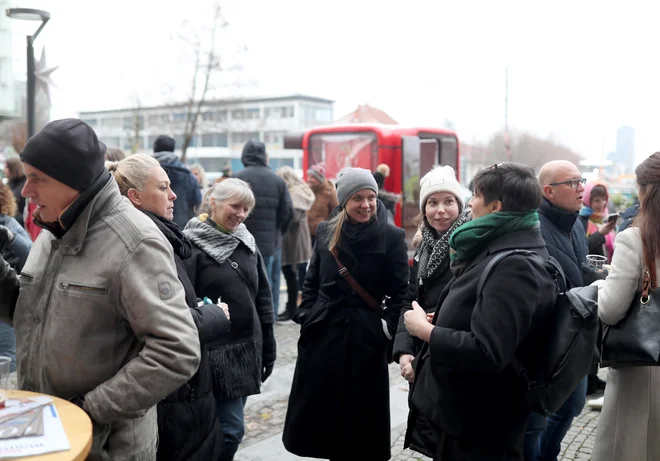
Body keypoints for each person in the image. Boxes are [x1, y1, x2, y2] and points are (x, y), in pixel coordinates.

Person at [0, 119, 201, 460]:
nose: (25, 190)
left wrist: (89, 409)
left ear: (73, 182)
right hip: (47, 434)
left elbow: (177, 351)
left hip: (104, 446)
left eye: (38, 178)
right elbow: (30, 312)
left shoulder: (134, 241)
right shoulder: (55, 227)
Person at [404, 162, 556, 460]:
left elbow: (488, 351)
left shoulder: (514, 264)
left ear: (495, 207)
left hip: (481, 423)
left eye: (475, 195)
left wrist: (427, 331)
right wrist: (448, 320)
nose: (470, 202)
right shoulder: (505, 245)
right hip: (472, 416)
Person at [108, 154, 230, 461]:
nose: (174, 194)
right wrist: (213, 316)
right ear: (134, 196)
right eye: (163, 188)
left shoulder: (159, 235)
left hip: (182, 394)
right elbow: (159, 324)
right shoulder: (143, 243)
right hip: (174, 396)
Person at [283, 168, 409, 460]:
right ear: (343, 201)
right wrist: (307, 317)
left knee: (360, 427)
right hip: (324, 337)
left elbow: (402, 291)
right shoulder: (328, 230)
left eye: (371, 197)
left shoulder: (391, 236)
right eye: (357, 198)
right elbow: (311, 280)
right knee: (324, 423)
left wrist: (386, 329)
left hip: (365, 340)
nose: (366, 204)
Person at [183, 178, 276, 461]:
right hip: (213, 354)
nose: (241, 214)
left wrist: (269, 346)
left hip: (246, 348)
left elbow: (263, 296)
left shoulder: (246, 241)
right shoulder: (191, 245)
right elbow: (185, 302)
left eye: (246, 208)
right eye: (235, 206)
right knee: (230, 430)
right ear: (214, 202)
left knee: (225, 427)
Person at [524, 160, 605, 461]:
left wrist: (596, 278)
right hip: (549, 339)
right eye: (572, 183)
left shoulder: (574, 223)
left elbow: (575, 271)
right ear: (549, 191)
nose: (581, 188)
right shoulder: (536, 227)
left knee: (572, 405)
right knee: (538, 419)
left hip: (573, 336)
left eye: (581, 180)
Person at [392, 165, 470, 457]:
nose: (441, 210)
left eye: (449, 202)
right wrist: (403, 353)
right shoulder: (423, 246)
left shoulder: (470, 246)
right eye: (433, 203)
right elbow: (408, 302)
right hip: (424, 356)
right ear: (424, 208)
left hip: (450, 359)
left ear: (460, 205)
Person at [590, 152, 660, 461]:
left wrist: (600, 286)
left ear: (647, 191)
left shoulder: (636, 239)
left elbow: (610, 309)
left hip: (643, 370)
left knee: (633, 446)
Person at [234, 140, 294, 319]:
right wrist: (278, 232)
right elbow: (288, 212)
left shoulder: (237, 178)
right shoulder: (278, 180)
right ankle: (271, 316)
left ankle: (251, 318)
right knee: (272, 282)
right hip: (272, 243)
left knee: (248, 281)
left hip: (241, 241)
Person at [276, 166, 315, 322]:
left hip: (292, 239)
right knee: (294, 274)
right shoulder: (302, 191)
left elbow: (290, 218)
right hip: (298, 238)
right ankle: (293, 307)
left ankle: (291, 308)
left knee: (290, 273)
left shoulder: (294, 195)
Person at [0, 184, 32, 371]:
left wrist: (11, 238)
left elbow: (32, 254)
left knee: (7, 362)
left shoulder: (8, 224)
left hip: (5, 312)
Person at [152, 135, 202, 228]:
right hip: (183, 229)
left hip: (155, 227)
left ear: (154, 149)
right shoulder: (188, 175)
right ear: (173, 149)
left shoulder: (148, 173)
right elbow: (198, 203)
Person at [578, 182, 617, 262]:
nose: (601, 204)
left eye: (603, 199)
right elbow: (582, 247)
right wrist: (599, 234)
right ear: (588, 201)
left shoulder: (605, 218)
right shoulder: (581, 220)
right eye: (597, 201)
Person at [306, 161, 338, 250]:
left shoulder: (330, 192)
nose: (309, 179)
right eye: (308, 176)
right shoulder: (307, 191)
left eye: (312, 177)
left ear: (319, 178)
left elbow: (336, 213)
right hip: (306, 234)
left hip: (321, 236)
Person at [4, 157, 27, 227]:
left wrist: (11, 220)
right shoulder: (9, 184)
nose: (4, 170)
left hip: (19, 224)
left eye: (6, 167)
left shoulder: (24, 185)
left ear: (13, 168)